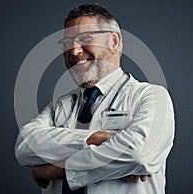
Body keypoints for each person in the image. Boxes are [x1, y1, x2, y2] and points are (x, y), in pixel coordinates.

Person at [15, 3, 175, 194]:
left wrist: (55, 170)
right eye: (67, 43)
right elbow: (25, 146)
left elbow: (139, 154)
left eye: (85, 38)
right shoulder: (60, 105)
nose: (74, 51)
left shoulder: (151, 97)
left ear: (114, 42)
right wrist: (94, 138)